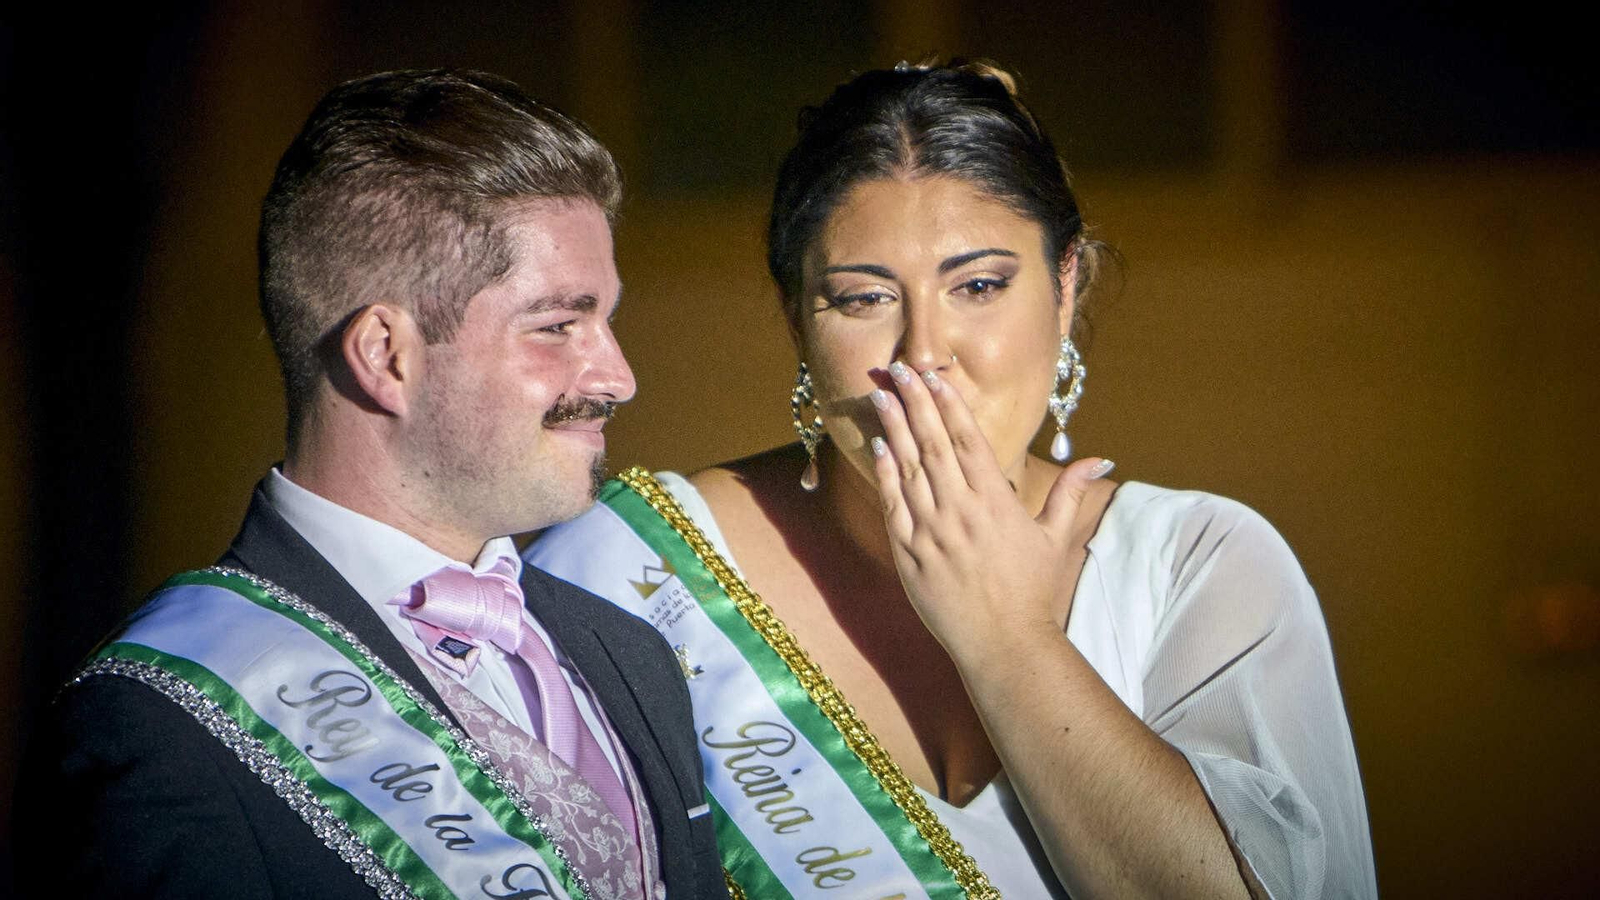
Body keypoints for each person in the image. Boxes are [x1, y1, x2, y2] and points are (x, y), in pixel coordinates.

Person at [528, 61, 1377, 898]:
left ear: (1065, 283)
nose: (925, 354)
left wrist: (1009, 638)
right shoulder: (628, 573)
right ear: (796, 317)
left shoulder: (1201, 566)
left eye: (979, 285)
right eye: (863, 300)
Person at [18, 69, 726, 899]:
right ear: (386, 355)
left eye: (606, 321)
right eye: (559, 326)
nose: (617, 377)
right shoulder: (165, 725)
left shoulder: (628, 654)